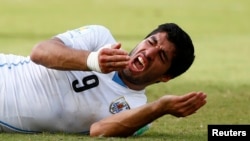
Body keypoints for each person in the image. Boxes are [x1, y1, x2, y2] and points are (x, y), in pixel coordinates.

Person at [0, 23, 207, 137]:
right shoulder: (100, 38)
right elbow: (40, 52)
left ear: (165, 76)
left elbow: (98, 131)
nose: (150, 52)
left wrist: (159, 107)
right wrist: (92, 60)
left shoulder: (138, 110)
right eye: (151, 42)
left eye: (162, 56)